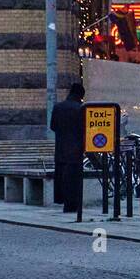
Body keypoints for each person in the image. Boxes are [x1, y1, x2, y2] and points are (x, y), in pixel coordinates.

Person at [50, 82, 85, 213]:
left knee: (61, 176)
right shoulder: (81, 108)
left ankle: (63, 201)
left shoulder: (58, 107)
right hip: (76, 149)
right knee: (73, 178)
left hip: (61, 147)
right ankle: (72, 205)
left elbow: (53, 126)